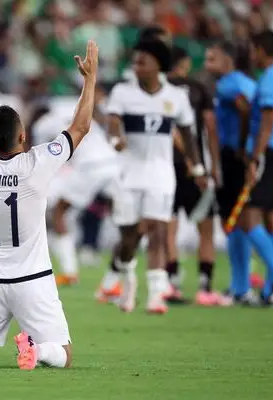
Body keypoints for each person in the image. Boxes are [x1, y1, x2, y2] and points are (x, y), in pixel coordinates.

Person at [0, 36, 98, 370]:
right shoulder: (36, 164)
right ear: (23, 136)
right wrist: (90, 80)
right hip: (32, 278)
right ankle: (36, 350)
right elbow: (81, 127)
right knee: (64, 354)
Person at [104, 39, 207, 314]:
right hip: (129, 172)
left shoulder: (176, 97)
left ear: (158, 65)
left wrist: (197, 167)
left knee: (159, 230)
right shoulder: (123, 93)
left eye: (142, 61)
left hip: (161, 173)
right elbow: (112, 124)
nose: (136, 66)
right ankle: (128, 284)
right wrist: (116, 140)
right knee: (129, 238)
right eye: (135, 61)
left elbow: (188, 134)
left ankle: (156, 295)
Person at [97, 25, 172, 303]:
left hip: (160, 164)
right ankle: (117, 275)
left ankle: (158, 286)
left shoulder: (168, 86)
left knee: (156, 226)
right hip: (130, 166)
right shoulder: (130, 82)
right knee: (133, 232)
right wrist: (117, 138)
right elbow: (113, 118)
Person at [32, 91, 120, 287]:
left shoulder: (43, 123)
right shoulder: (79, 113)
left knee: (58, 212)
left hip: (90, 166)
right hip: (113, 163)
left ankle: (70, 272)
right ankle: (121, 276)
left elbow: (38, 156)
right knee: (123, 220)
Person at [165, 46, 226, 306]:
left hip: (166, 168)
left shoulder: (159, 89)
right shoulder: (199, 89)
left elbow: (170, 130)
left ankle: (173, 285)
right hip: (195, 169)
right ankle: (205, 287)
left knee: (169, 227)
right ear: (186, 63)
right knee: (206, 228)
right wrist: (210, 166)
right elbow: (210, 128)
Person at [240, 30, 273, 305]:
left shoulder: (271, 78)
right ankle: (272, 288)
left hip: (269, 154)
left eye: (253, 49)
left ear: (261, 49)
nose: (251, 55)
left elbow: (268, 119)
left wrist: (256, 157)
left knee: (249, 218)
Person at [204, 40, 258, 304]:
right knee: (236, 221)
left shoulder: (229, 85)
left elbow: (246, 109)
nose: (206, 64)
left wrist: (241, 144)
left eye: (212, 58)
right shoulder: (245, 81)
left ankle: (242, 286)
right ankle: (241, 284)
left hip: (233, 156)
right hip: (240, 154)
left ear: (228, 59)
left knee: (235, 220)